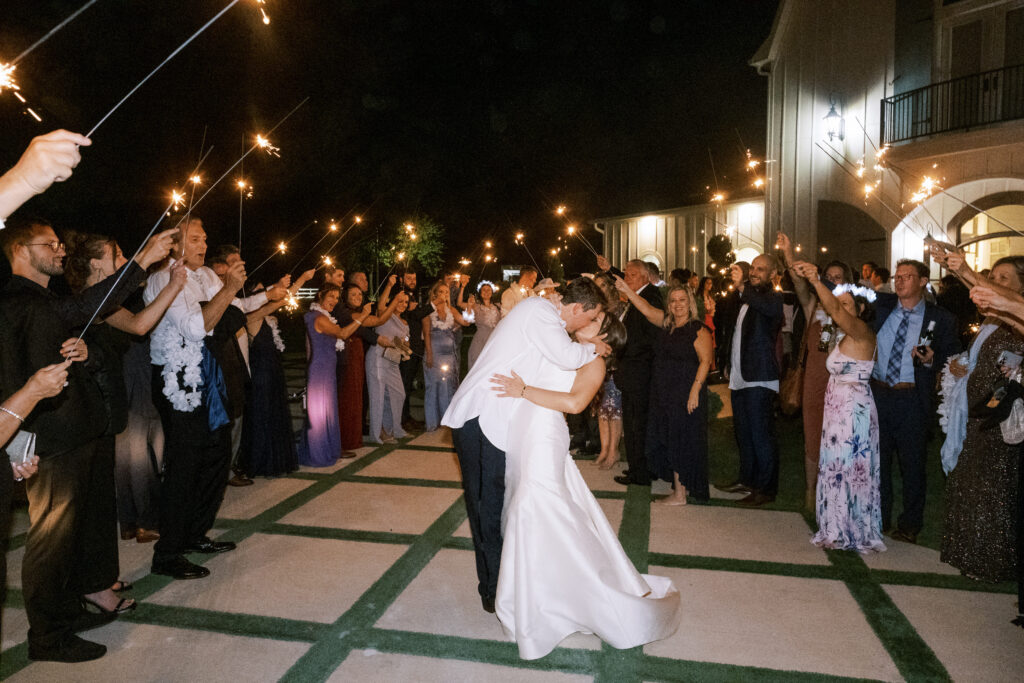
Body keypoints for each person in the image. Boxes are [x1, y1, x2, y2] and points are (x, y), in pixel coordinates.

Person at [0, 216, 174, 662]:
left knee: (74, 535)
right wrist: (139, 264)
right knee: (51, 539)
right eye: (51, 244)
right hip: (53, 441)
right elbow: (81, 312)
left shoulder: (43, 299)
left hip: (79, 431)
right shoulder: (17, 299)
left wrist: (84, 353)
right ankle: (47, 636)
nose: (61, 250)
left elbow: (73, 328)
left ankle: (69, 609)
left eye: (60, 243)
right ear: (21, 250)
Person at [487, 311, 680, 659]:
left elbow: (575, 403)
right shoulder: (564, 348)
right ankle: (543, 592)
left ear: (603, 337)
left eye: (595, 321)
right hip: (525, 431)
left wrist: (524, 390)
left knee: (532, 507)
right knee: (528, 506)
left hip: (545, 435)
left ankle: (545, 603)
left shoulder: (595, 364)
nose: (587, 321)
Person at [442, 278, 610, 614]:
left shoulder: (546, 319)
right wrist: (596, 347)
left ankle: (504, 583)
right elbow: (565, 357)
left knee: (500, 507)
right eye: (590, 317)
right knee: (485, 508)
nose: (589, 325)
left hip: (502, 424)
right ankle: (491, 591)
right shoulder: (540, 311)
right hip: (481, 419)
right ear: (576, 308)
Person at [144, 217, 282, 581]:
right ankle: (168, 553)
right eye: (194, 239)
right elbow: (195, 326)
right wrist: (228, 291)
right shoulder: (163, 279)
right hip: (179, 381)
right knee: (185, 465)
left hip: (210, 376)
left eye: (205, 238)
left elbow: (235, 305)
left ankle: (194, 534)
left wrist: (268, 294)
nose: (203, 245)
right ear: (174, 245)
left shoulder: (206, 275)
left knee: (216, 457)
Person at [63, 231, 193, 611]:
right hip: (87, 414)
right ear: (94, 264)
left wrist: (174, 284)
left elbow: (139, 325)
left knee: (101, 503)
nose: (122, 257)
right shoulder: (83, 305)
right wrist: (145, 261)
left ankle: (99, 578)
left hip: (106, 412)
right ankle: (94, 586)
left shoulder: (107, 304)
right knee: (90, 506)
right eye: (116, 253)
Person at [933, 250, 1023, 581]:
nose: (994, 284)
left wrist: (987, 413)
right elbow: (977, 361)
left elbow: (1008, 375)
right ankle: (966, 553)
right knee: (969, 484)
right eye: (992, 277)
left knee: (992, 489)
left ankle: (990, 562)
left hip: (995, 417)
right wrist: (957, 370)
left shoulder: (1015, 325)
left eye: (1003, 280)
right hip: (974, 412)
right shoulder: (990, 320)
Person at [791, 263, 884, 551]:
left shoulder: (862, 332)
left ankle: (850, 530)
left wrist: (816, 281)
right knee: (834, 466)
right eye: (838, 303)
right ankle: (833, 527)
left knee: (849, 468)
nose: (839, 309)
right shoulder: (841, 337)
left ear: (860, 309)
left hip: (853, 411)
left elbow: (833, 310)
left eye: (846, 305)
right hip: (836, 411)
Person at [870, 259, 958, 544]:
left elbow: (954, 360)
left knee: (913, 465)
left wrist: (933, 360)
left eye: (907, 276)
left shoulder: (940, 319)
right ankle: (879, 517)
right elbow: (845, 297)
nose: (899, 281)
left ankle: (909, 524)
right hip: (879, 394)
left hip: (912, 399)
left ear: (922, 281)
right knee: (878, 460)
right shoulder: (881, 308)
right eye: (897, 276)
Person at [777, 233, 856, 510]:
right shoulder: (813, 307)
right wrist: (788, 253)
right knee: (812, 435)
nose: (833, 280)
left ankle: (836, 491)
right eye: (829, 276)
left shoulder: (850, 311)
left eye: (838, 277)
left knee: (840, 438)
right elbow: (799, 284)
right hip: (814, 378)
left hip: (843, 382)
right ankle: (811, 491)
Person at [617, 282, 713, 504]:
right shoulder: (666, 324)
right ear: (668, 304)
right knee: (670, 438)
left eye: (682, 300)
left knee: (680, 440)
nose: (678, 305)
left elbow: (705, 361)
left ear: (690, 303)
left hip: (685, 393)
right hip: (664, 393)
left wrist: (695, 392)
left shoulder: (698, 329)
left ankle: (679, 494)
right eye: (673, 300)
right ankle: (682, 488)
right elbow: (646, 309)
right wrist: (628, 291)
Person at [720, 255, 784, 506]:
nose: (755, 272)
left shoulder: (773, 298)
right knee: (744, 433)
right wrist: (728, 363)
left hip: (760, 377)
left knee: (761, 435)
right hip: (740, 375)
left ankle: (766, 489)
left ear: (772, 274)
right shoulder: (745, 298)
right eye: (753, 268)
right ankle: (747, 480)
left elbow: (769, 309)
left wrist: (742, 287)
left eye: (761, 269)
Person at [240, 269, 316, 476]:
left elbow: (282, 297)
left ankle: (273, 459)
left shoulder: (268, 318)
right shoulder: (251, 317)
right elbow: (280, 299)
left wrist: (302, 279)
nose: (263, 295)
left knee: (275, 414)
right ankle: (258, 462)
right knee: (262, 415)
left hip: (273, 370)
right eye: (258, 293)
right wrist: (296, 283)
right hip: (260, 374)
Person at [598, 257, 663, 487]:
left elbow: (647, 333)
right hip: (632, 369)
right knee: (634, 422)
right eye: (625, 274)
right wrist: (609, 269)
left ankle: (640, 473)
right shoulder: (639, 294)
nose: (627, 279)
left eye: (632, 274)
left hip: (640, 370)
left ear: (646, 277)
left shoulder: (650, 295)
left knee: (636, 423)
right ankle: (639, 467)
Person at [298, 283, 369, 466]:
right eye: (331, 297)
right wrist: (362, 317)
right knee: (320, 413)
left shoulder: (322, 316)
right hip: (320, 369)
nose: (334, 301)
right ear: (320, 295)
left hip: (327, 368)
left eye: (337, 298)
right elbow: (343, 333)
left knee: (327, 410)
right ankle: (318, 453)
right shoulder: (318, 317)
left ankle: (329, 448)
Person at [337, 283, 401, 450]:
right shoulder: (351, 314)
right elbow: (378, 321)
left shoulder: (358, 314)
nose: (358, 297)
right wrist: (395, 300)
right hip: (349, 356)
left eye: (359, 294)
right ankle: (348, 439)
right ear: (346, 298)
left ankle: (354, 436)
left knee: (358, 396)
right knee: (350, 396)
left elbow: (374, 323)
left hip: (358, 354)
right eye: (353, 295)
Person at [366, 277, 411, 444]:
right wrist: (390, 285)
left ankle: (394, 428)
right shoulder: (385, 314)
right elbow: (380, 305)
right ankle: (379, 433)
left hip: (392, 361)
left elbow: (405, 341)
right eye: (400, 300)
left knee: (399, 393)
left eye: (406, 302)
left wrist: (405, 346)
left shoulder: (405, 322)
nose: (403, 303)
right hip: (378, 357)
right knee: (377, 397)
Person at [423, 280, 469, 430]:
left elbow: (466, 322)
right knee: (433, 386)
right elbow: (426, 334)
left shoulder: (451, 310)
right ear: (435, 293)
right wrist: (429, 354)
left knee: (448, 386)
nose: (444, 295)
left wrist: (470, 307)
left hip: (449, 354)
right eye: (441, 292)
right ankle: (432, 422)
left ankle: (446, 420)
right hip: (434, 352)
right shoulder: (428, 310)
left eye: (447, 292)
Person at [591, 272, 624, 469]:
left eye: (602, 285)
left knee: (614, 407)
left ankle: (614, 450)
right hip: (598, 361)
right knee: (601, 408)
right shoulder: (596, 307)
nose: (599, 289)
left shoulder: (620, 307)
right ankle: (604, 449)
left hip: (615, 362)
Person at [459, 279, 501, 370]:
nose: (486, 292)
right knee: (479, 367)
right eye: (484, 290)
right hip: (480, 341)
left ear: (492, 292)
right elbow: (459, 303)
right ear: (480, 293)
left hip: (494, 340)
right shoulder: (476, 306)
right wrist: (462, 288)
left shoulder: (498, 306)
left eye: (488, 290)